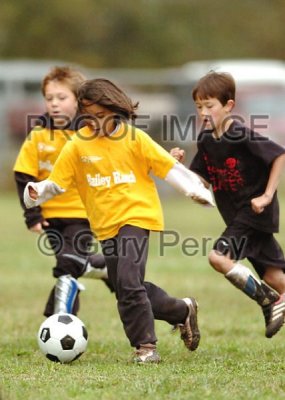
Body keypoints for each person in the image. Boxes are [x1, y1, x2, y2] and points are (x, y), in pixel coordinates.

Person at [22, 78, 215, 363]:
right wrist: (34, 195)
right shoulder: (77, 145)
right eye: (89, 117)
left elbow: (168, 167)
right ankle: (181, 310)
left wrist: (195, 190)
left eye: (101, 116)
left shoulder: (134, 138)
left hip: (137, 216)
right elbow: (56, 183)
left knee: (126, 281)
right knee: (128, 286)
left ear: (115, 108)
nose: (95, 123)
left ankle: (146, 348)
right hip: (105, 225)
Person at [171, 71, 285, 339]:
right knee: (274, 277)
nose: (203, 112)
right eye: (199, 106)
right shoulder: (206, 139)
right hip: (237, 217)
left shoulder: (240, 134)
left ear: (228, 106)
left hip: (253, 212)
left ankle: (266, 301)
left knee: (218, 258)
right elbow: (201, 180)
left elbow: (279, 155)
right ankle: (273, 296)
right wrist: (175, 166)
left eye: (209, 106)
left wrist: (267, 195)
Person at [14, 67, 113, 318]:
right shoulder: (38, 134)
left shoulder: (88, 133)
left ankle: (57, 319)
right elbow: (24, 175)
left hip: (82, 214)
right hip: (50, 216)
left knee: (68, 265)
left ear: (78, 100)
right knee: (72, 264)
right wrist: (33, 214)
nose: (54, 104)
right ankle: (109, 268)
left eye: (61, 97)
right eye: (49, 99)